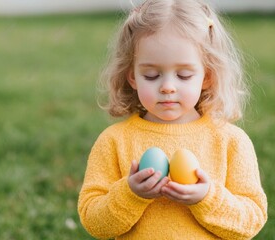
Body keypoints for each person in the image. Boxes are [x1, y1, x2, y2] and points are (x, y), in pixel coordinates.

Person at [77, 0, 268, 239]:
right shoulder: (114, 141)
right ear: (132, 77)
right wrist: (130, 194)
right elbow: (94, 222)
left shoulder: (230, 141)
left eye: (184, 75)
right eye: (152, 75)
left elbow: (251, 220)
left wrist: (206, 197)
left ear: (207, 76)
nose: (167, 87)